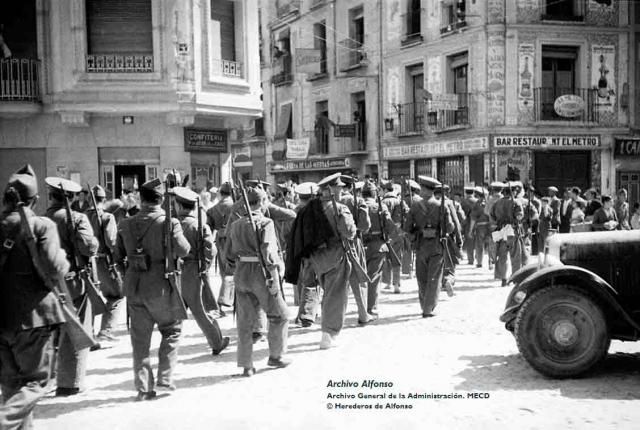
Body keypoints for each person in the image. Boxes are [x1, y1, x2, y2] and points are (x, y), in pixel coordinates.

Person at [0, 165, 69, 429]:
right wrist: (64, 261)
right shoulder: (42, 226)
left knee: (11, 387)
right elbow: (54, 267)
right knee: (36, 382)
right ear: (35, 200)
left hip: (2, 320)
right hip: (34, 320)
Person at [115, 178, 191, 400]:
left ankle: (144, 388)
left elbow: (117, 258)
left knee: (140, 341)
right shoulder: (169, 223)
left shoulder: (126, 223)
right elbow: (184, 250)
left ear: (141, 198)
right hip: (161, 287)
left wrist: (129, 275)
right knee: (172, 330)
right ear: (161, 200)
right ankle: (165, 378)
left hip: (135, 286)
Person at [224, 187, 290, 376]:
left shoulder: (236, 224)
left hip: (241, 272)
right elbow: (269, 253)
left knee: (245, 323)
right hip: (261, 274)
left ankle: (246, 365)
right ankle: (276, 356)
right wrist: (274, 276)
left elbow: (227, 253)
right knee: (280, 315)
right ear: (261, 203)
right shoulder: (265, 222)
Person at [44, 177, 99, 396]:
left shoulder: (41, 219)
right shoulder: (77, 218)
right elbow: (88, 247)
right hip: (73, 282)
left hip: (47, 283)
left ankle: (45, 379)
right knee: (76, 331)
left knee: (50, 333)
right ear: (73, 197)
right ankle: (70, 382)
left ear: (51, 196)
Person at [173, 187, 229, 356]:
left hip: (174, 271)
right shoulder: (199, 226)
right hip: (193, 271)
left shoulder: (170, 224)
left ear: (179, 206)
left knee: (174, 311)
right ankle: (216, 342)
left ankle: (170, 347)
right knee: (201, 312)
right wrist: (204, 267)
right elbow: (210, 251)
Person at [308, 173, 357, 348]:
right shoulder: (340, 208)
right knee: (336, 296)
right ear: (332, 189)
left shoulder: (311, 209)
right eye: (340, 187)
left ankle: (327, 330)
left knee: (328, 294)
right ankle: (328, 334)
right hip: (336, 256)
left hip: (317, 259)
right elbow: (349, 232)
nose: (342, 190)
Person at [403, 176, 454, 318]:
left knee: (422, 277)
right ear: (432, 190)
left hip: (420, 245)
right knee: (434, 278)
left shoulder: (414, 206)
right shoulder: (441, 206)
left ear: (423, 189)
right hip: (437, 245)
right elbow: (449, 228)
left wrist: (414, 236)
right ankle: (428, 308)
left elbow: (407, 228)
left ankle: (424, 305)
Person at [86, 185, 124, 348]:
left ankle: (89, 333)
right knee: (116, 296)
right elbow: (112, 241)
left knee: (89, 299)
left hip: (86, 262)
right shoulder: (107, 217)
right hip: (104, 262)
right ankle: (106, 332)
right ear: (104, 200)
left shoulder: (80, 216)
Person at [339, 176, 374, 326]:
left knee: (339, 282)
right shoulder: (358, 201)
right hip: (354, 242)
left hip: (336, 245)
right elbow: (365, 225)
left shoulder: (331, 202)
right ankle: (363, 314)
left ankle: (337, 317)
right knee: (359, 279)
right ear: (352, 187)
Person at [361, 181, 394, 316]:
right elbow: (390, 226)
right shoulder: (380, 207)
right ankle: (371, 307)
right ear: (374, 194)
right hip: (377, 245)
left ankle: (362, 306)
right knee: (374, 277)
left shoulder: (358, 206)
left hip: (360, 245)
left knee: (360, 278)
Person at [291, 182, 320, 327]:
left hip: (297, 251)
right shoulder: (313, 212)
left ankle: (310, 311)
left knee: (304, 281)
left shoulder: (294, 211)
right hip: (312, 252)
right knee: (310, 282)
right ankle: (306, 315)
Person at [207, 182, 235, 313]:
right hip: (235, 240)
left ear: (220, 194)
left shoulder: (213, 209)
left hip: (220, 240)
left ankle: (225, 300)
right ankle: (225, 299)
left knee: (224, 270)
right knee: (234, 270)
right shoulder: (236, 206)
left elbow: (208, 228)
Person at [491, 183, 524, 286]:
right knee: (515, 255)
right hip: (512, 230)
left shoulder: (497, 203)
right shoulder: (516, 202)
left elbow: (492, 217)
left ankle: (503, 278)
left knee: (502, 255)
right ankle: (516, 277)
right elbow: (519, 217)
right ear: (513, 192)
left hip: (501, 230)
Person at [380, 180, 409, 293]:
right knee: (397, 258)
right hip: (398, 232)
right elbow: (408, 214)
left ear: (385, 190)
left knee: (386, 259)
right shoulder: (400, 202)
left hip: (385, 234)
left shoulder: (382, 202)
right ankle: (396, 284)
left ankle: (387, 282)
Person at [468, 187, 492, 269]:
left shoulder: (477, 204)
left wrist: (470, 230)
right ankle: (491, 262)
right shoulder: (490, 203)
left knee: (479, 245)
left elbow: (473, 218)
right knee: (490, 244)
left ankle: (479, 262)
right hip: (490, 226)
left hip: (480, 226)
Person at [460, 186, 477, 265]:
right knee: (478, 241)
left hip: (467, 222)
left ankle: (471, 259)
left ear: (466, 193)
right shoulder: (477, 201)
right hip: (477, 223)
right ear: (473, 193)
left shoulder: (463, 201)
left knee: (469, 241)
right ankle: (478, 257)